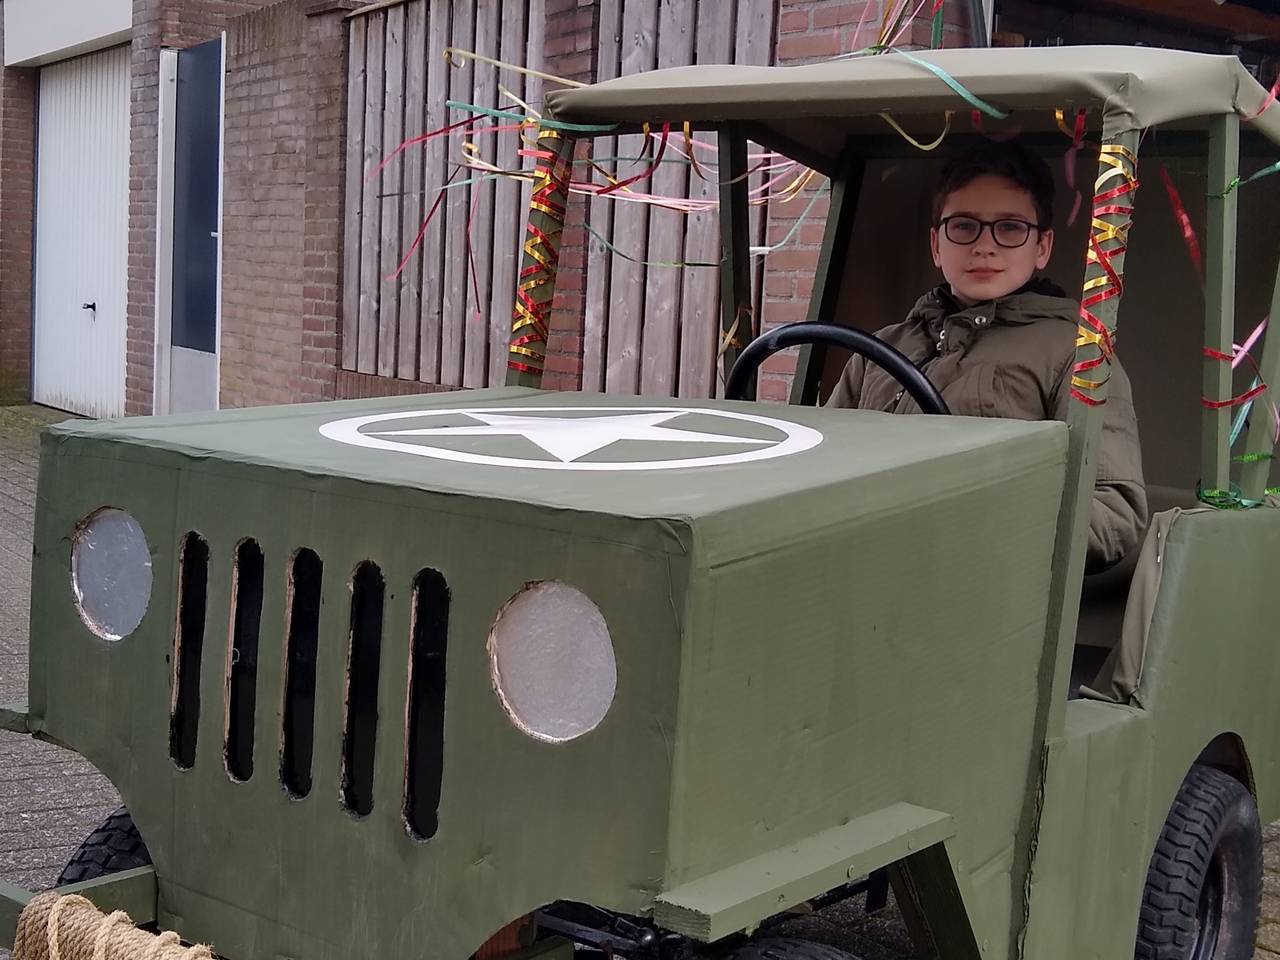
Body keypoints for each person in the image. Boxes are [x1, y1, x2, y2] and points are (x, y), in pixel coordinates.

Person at [826, 139, 1147, 571]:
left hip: (982, 584)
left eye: (1011, 228)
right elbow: (818, 463)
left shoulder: (1077, 355)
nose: (985, 246)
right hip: (855, 568)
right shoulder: (878, 350)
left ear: (1042, 248)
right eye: (963, 226)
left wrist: (983, 518)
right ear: (937, 244)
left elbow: (1114, 513)